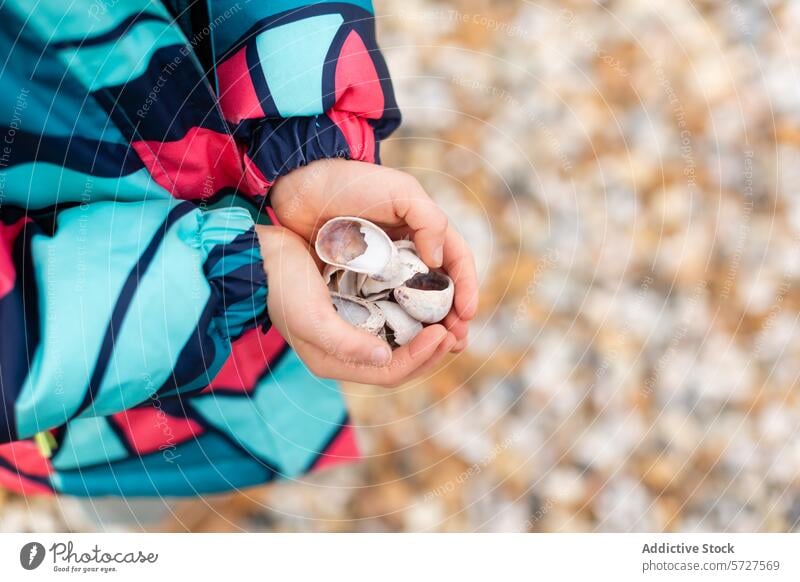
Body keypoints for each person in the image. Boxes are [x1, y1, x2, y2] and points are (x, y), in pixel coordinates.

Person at [0, 0, 477, 498]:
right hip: (104, 385)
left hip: (258, 246)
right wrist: (233, 274)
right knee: (126, 469)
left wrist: (300, 145)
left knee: (213, 445)